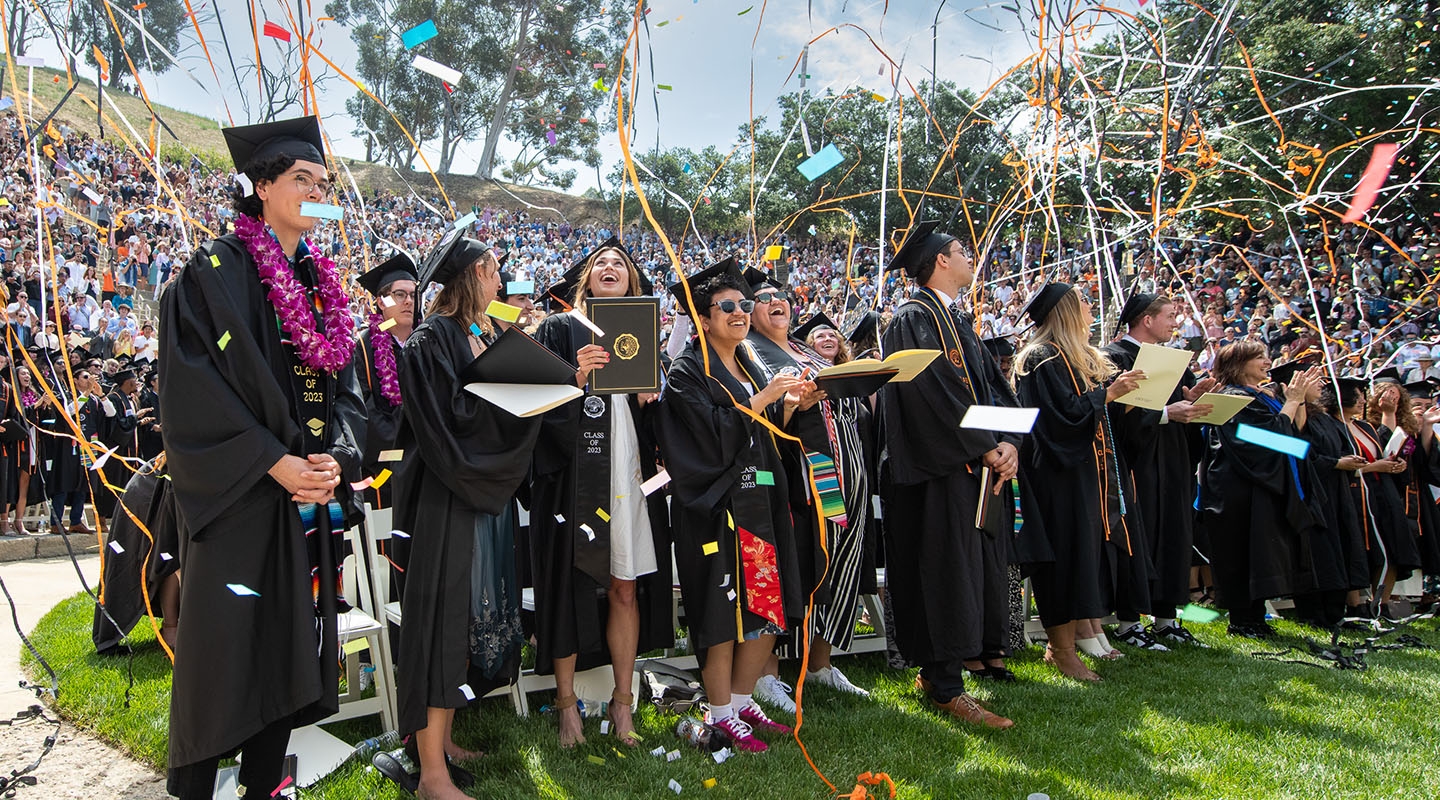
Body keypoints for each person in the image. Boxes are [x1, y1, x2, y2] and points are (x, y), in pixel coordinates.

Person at [158, 116, 366, 800]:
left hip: (301, 501)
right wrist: (276, 463)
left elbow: (344, 390)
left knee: (284, 646)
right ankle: (191, 787)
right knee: (220, 656)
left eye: (322, 184)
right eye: (300, 180)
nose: (314, 192)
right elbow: (194, 392)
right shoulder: (211, 273)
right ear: (263, 186)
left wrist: (331, 460)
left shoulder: (321, 284)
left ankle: (262, 785)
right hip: (238, 495)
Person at [392, 228, 544, 800]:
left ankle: (446, 742)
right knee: (440, 626)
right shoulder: (431, 340)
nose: (502, 281)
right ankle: (431, 775)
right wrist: (512, 385)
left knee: (463, 624)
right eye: (496, 269)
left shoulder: (478, 334)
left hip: (477, 495)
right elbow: (451, 422)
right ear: (475, 274)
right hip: (446, 498)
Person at [655, 258, 805, 753]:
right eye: (728, 306)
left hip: (759, 498)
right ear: (703, 317)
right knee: (720, 610)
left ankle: (742, 702)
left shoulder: (749, 360)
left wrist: (791, 402)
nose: (741, 312)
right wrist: (763, 400)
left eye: (746, 304)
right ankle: (718, 711)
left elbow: (762, 427)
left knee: (767, 603)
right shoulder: (684, 372)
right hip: (714, 507)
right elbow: (705, 440)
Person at [530, 237, 674, 748]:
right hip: (575, 476)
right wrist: (577, 375)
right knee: (572, 585)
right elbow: (536, 402)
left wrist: (649, 394)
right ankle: (567, 706)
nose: (610, 267)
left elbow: (662, 422)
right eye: (601, 264)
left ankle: (622, 704)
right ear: (586, 279)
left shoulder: (644, 334)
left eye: (620, 264)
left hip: (629, 474)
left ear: (632, 283)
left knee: (626, 587)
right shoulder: (559, 328)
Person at [876, 221, 1019, 727]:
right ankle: (946, 687)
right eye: (962, 251)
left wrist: (1009, 443)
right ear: (940, 260)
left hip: (969, 467)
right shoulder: (911, 319)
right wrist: (985, 447)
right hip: (934, 473)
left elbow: (996, 391)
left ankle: (943, 673)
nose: (969, 258)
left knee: (966, 573)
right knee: (941, 574)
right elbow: (930, 397)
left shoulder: (957, 321)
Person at [742, 279, 877, 707]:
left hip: (845, 471)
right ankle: (768, 673)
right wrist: (792, 405)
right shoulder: (749, 353)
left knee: (839, 563)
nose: (774, 301)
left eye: (780, 295)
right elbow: (758, 416)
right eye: (762, 298)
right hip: (800, 476)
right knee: (798, 565)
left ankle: (820, 663)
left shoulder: (804, 350)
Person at [1013, 283, 1143, 681]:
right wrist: (1105, 394)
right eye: (1083, 303)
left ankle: (1075, 642)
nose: (1090, 309)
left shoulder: (1069, 357)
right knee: (1065, 558)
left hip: (1080, 472)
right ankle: (1060, 649)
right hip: (1056, 474)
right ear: (1066, 311)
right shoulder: (1042, 358)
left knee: (1081, 555)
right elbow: (1055, 420)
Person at [1101, 293, 1214, 649]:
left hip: (1173, 460)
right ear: (1146, 320)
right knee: (1140, 535)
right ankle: (1129, 622)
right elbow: (1114, 415)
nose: (1175, 323)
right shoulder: (1113, 357)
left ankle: (1166, 618)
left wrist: (1191, 401)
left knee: (1173, 535)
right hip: (1137, 462)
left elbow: (1178, 408)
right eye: (1169, 316)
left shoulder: (1174, 362)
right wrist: (1166, 414)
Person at [1197, 342, 1322, 638]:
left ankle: (1256, 618)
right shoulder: (1232, 398)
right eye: (1259, 358)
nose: (1268, 362)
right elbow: (1261, 440)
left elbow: (1292, 439)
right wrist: (1290, 402)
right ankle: (1242, 621)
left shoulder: (1261, 397)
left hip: (1263, 486)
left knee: (1262, 554)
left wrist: (1298, 400)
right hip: (1239, 490)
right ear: (1238, 364)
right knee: (1243, 554)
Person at [353, 252, 418, 512]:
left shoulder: (427, 342)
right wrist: (406, 445)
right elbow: (362, 406)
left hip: (427, 465)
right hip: (383, 468)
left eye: (413, 295)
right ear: (381, 301)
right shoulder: (363, 345)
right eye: (400, 294)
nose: (409, 302)